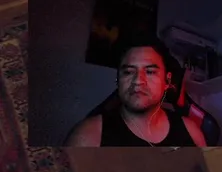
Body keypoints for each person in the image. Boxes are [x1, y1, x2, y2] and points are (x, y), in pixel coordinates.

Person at [65, 37, 207, 147]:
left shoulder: (192, 131)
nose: (138, 80)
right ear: (118, 80)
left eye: (150, 72)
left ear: (167, 81)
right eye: (128, 72)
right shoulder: (88, 137)